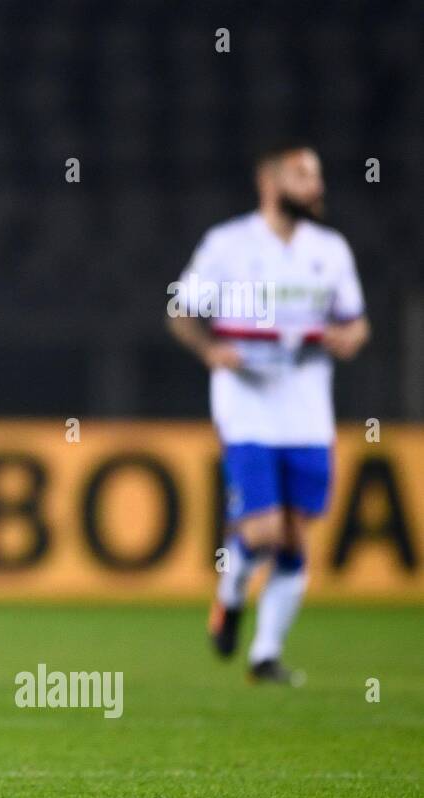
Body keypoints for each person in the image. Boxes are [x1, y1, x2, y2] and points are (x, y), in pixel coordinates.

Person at [168, 141, 369, 684]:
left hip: (307, 410)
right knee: (262, 532)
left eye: (317, 175)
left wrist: (347, 338)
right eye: (304, 175)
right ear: (271, 181)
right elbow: (181, 310)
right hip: (248, 405)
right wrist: (212, 351)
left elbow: (356, 321)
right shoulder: (228, 245)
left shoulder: (330, 250)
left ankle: (265, 655)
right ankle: (230, 595)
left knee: (297, 536)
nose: (316, 186)